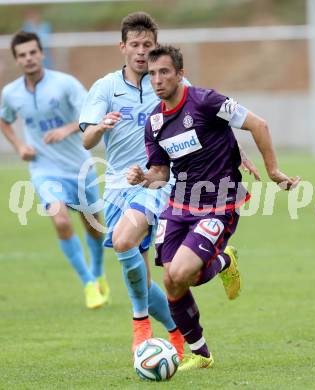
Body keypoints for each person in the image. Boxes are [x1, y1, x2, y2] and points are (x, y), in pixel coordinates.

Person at [127, 45, 301, 371]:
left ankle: (221, 261)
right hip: (179, 205)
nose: (157, 79)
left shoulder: (207, 101)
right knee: (173, 281)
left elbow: (258, 124)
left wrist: (274, 171)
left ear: (180, 73)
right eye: (151, 73)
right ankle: (202, 352)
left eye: (164, 71)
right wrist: (142, 177)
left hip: (220, 203)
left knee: (181, 273)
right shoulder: (153, 123)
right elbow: (160, 174)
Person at [79, 12, 185, 357]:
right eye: (135, 45)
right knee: (139, 272)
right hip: (115, 186)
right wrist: (101, 127)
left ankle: (140, 329)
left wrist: (236, 152)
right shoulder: (106, 87)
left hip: (156, 182)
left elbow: (205, 115)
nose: (142, 52)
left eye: (148, 45)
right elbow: (87, 140)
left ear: (156, 47)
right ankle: (178, 333)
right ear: (123, 47)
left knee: (125, 241)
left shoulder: (167, 81)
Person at [0, 31, 108, 310]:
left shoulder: (65, 84)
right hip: (44, 169)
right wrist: (19, 145)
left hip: (79, 166)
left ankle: (97, 274)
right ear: (17, 60)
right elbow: (5, 119)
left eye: (32, 52)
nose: (28, 58)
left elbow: (91, 115)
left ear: (41, 53)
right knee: (60, 220)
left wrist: (68, 128)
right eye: (22, 55)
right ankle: (87, 283)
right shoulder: (11, 93)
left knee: (94, 227)